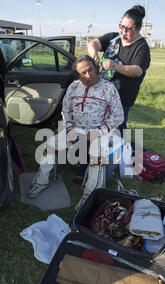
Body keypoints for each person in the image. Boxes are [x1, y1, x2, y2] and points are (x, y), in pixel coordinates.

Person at [27, 55, 124, 210]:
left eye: (90, 69)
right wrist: (70, 129)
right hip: (76, 129)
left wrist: (98, 132)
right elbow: (66, 109)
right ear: (78, 74)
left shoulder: (108, 88)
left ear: (95, 67)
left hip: (99, 132)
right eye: (83, 72)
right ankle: (41, 181)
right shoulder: (74, 86)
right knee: (50, 145)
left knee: (97, 156)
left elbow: (118, 116)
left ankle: (89, 194)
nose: (88, 75)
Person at [87, 5, 151, 131]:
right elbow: (92, 43)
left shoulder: (142, 47)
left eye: (128, 29)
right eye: (121, 26)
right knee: (99, 126)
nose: (123, 31)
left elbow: (137, 71)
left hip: (121, 100)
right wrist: (94, 54)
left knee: (116, 130)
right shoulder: (113, 38)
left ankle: (119, 149)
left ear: (138, 28)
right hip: (102, 95)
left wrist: (115, 66)